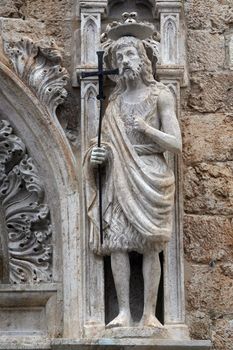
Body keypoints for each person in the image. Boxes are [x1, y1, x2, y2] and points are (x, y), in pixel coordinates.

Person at [84, 34, 182, 328]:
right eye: (119, 58)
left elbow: (175, 143)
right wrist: (96, 156)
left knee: (151, 245)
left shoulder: (161, 95)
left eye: (129, 54)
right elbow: (103, 142)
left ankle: (150, 313)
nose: (124, 61)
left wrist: (146, 129)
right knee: (118, 244)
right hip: (119, 176)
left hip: (151, 174)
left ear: (143, 60)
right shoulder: (113, 104)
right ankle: (124, 311)